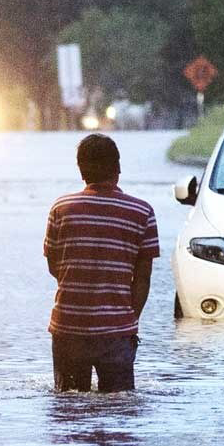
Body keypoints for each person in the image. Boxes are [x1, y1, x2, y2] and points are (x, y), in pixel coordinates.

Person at [44, 133, 158, 392]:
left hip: (68, 328)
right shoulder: (142, 212)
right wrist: (128, 321)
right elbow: (143, 279)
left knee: (70, 409)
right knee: (119, 410)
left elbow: (54, 266)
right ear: (118, 168)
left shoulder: (61, 208)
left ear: (80, 170)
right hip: (116, 331)